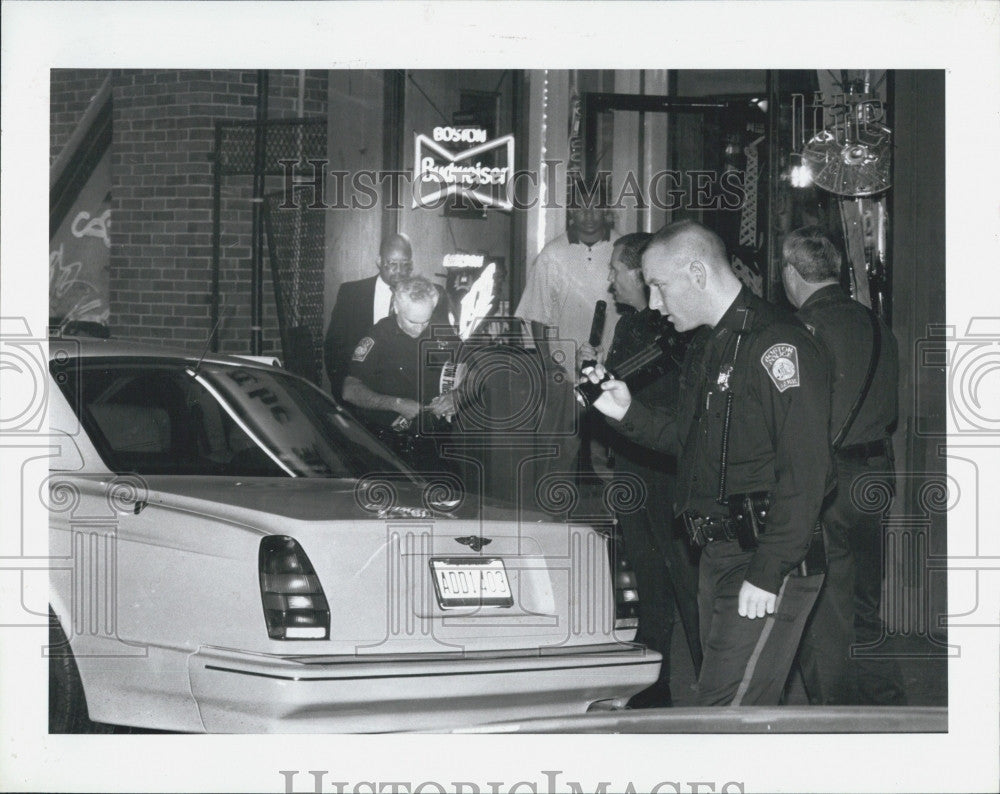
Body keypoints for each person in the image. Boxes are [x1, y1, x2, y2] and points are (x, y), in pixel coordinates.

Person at [582, 220, 833, 706]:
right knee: (731, 708)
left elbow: (807, 473)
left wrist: (768, 571)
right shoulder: (711, 343)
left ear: (696, 272)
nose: (654, 303)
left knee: (725, 714)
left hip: (764, 555)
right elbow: (688, 438)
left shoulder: (778, 343)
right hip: (716, 554)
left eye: (659, 285)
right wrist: (625, 411)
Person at [781, 225, 907, 705]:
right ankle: (887, 706)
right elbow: (890, 411)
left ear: (792, 274)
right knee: (864, 605)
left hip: (827, 480)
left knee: (824, 611)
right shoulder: (879, 325)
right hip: (874, 478)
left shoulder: (800, 330)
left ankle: (835, 720)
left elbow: (794, 417)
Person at [594, 232, 702, 707]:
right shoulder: (639, 326)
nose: (611, 279)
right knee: (654, 578)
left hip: (664, 468)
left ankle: (701, 686)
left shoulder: (662, 328)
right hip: (641, 467)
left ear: (640, 273)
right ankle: (656, 686)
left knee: (676, 578)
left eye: (617, 268)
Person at [341, 276, 459, 472]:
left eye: (426, 321)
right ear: (396, 308)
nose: (420, 328)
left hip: (435, 444)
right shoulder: (378, 336)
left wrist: (457, 395)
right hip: (389, 446)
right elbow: (350, 390)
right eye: (413, 321)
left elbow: (473, 372)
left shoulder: (442, 331)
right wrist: (395, 404)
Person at [323, 233, 448, 399]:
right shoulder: (351, 293)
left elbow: (444, 348)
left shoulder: (433, 294)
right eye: (392, 264)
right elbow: (334, 348)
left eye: (405, 264)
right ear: (379, 261)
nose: (399, 271)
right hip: (363, 398)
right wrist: (344, 391)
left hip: (413, 400)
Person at [515, 179, 621, 348]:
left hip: (614, 362)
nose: (588, 214)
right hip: (564, 362)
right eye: (581, 208)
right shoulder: (551, 254)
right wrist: (550, 366)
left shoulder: (622, 249)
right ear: (571, 210)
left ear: (605, 209)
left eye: (596, 207)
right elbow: (537, 314)